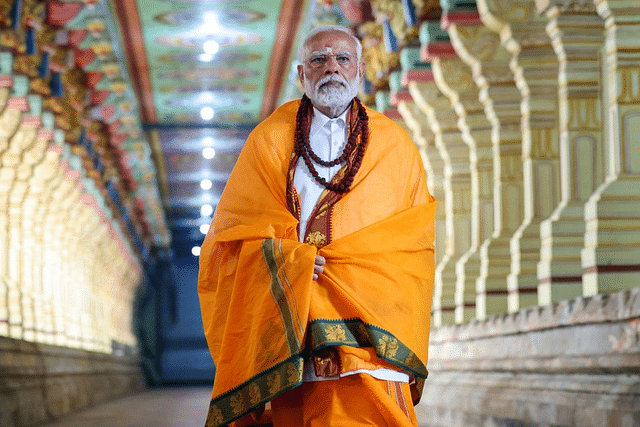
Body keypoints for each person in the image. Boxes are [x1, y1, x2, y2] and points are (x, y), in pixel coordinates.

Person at [198, 24, 437, 427]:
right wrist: (288, 262)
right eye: (319, 59)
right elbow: (230, 238)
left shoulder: (394, 145)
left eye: (343, 59)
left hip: (371, 329)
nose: (332, 68)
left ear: (360, 72)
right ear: (301, 75)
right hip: (298, 321)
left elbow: (413, 242)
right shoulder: (269, 140)